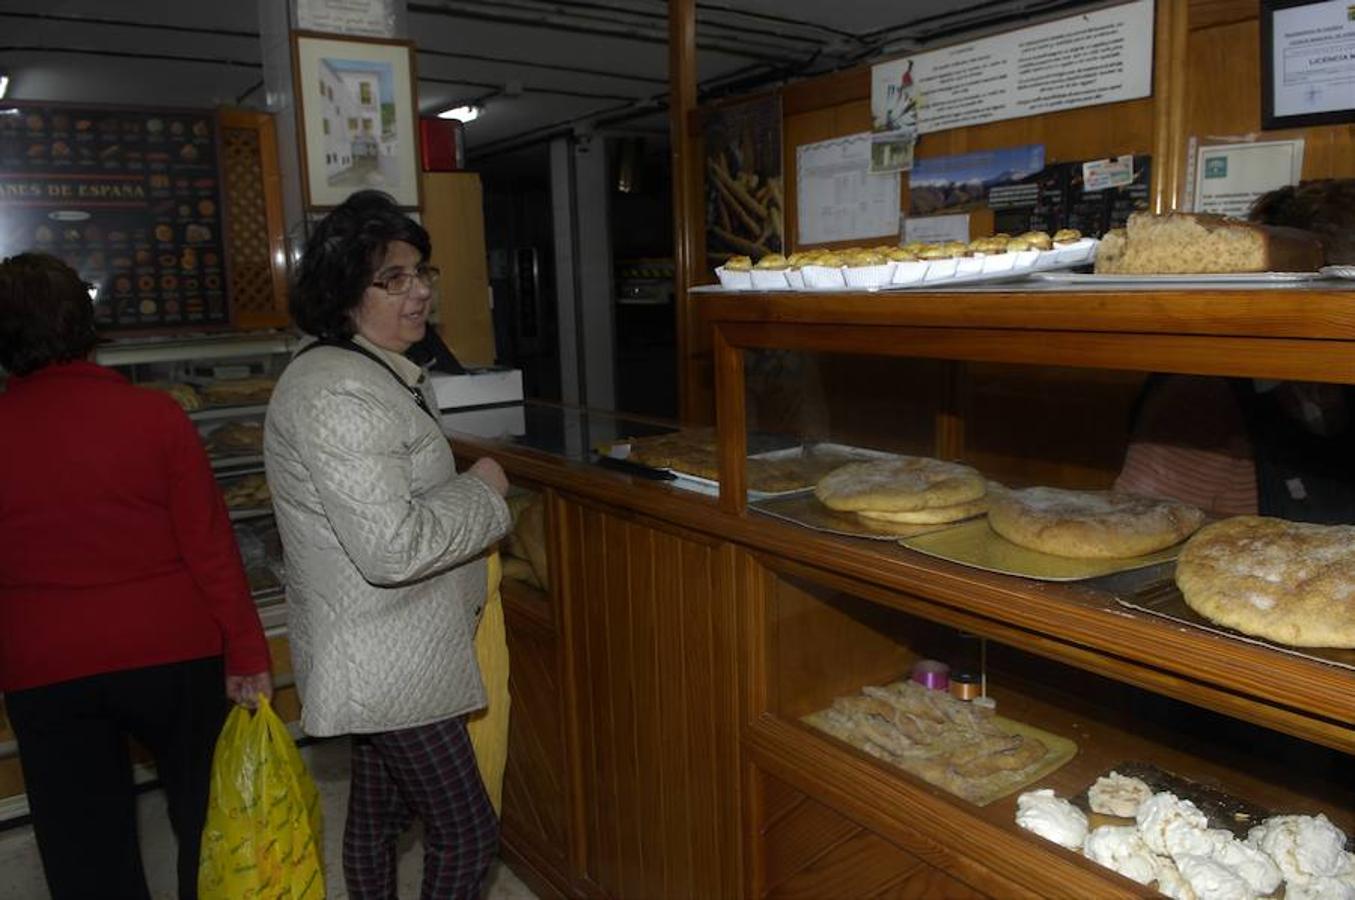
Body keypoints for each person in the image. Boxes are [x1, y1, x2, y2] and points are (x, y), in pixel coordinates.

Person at [0, 252, 272, 900]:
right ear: (88, 326)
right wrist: (248, 648)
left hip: (44, 663)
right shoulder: (157, 417)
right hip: (173, 652)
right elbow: (211, 548)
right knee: (207, 824)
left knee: (83, 845)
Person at [263, 190, 512, 899]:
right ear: (345, 292)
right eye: (394, 278)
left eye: (421, 273)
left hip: (396, 647)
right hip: (389, 659)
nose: (420, 292)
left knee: (374, 818)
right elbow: (392, 548)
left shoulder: (373, 369)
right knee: (466, 833)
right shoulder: (338, 391)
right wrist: (483, 493)